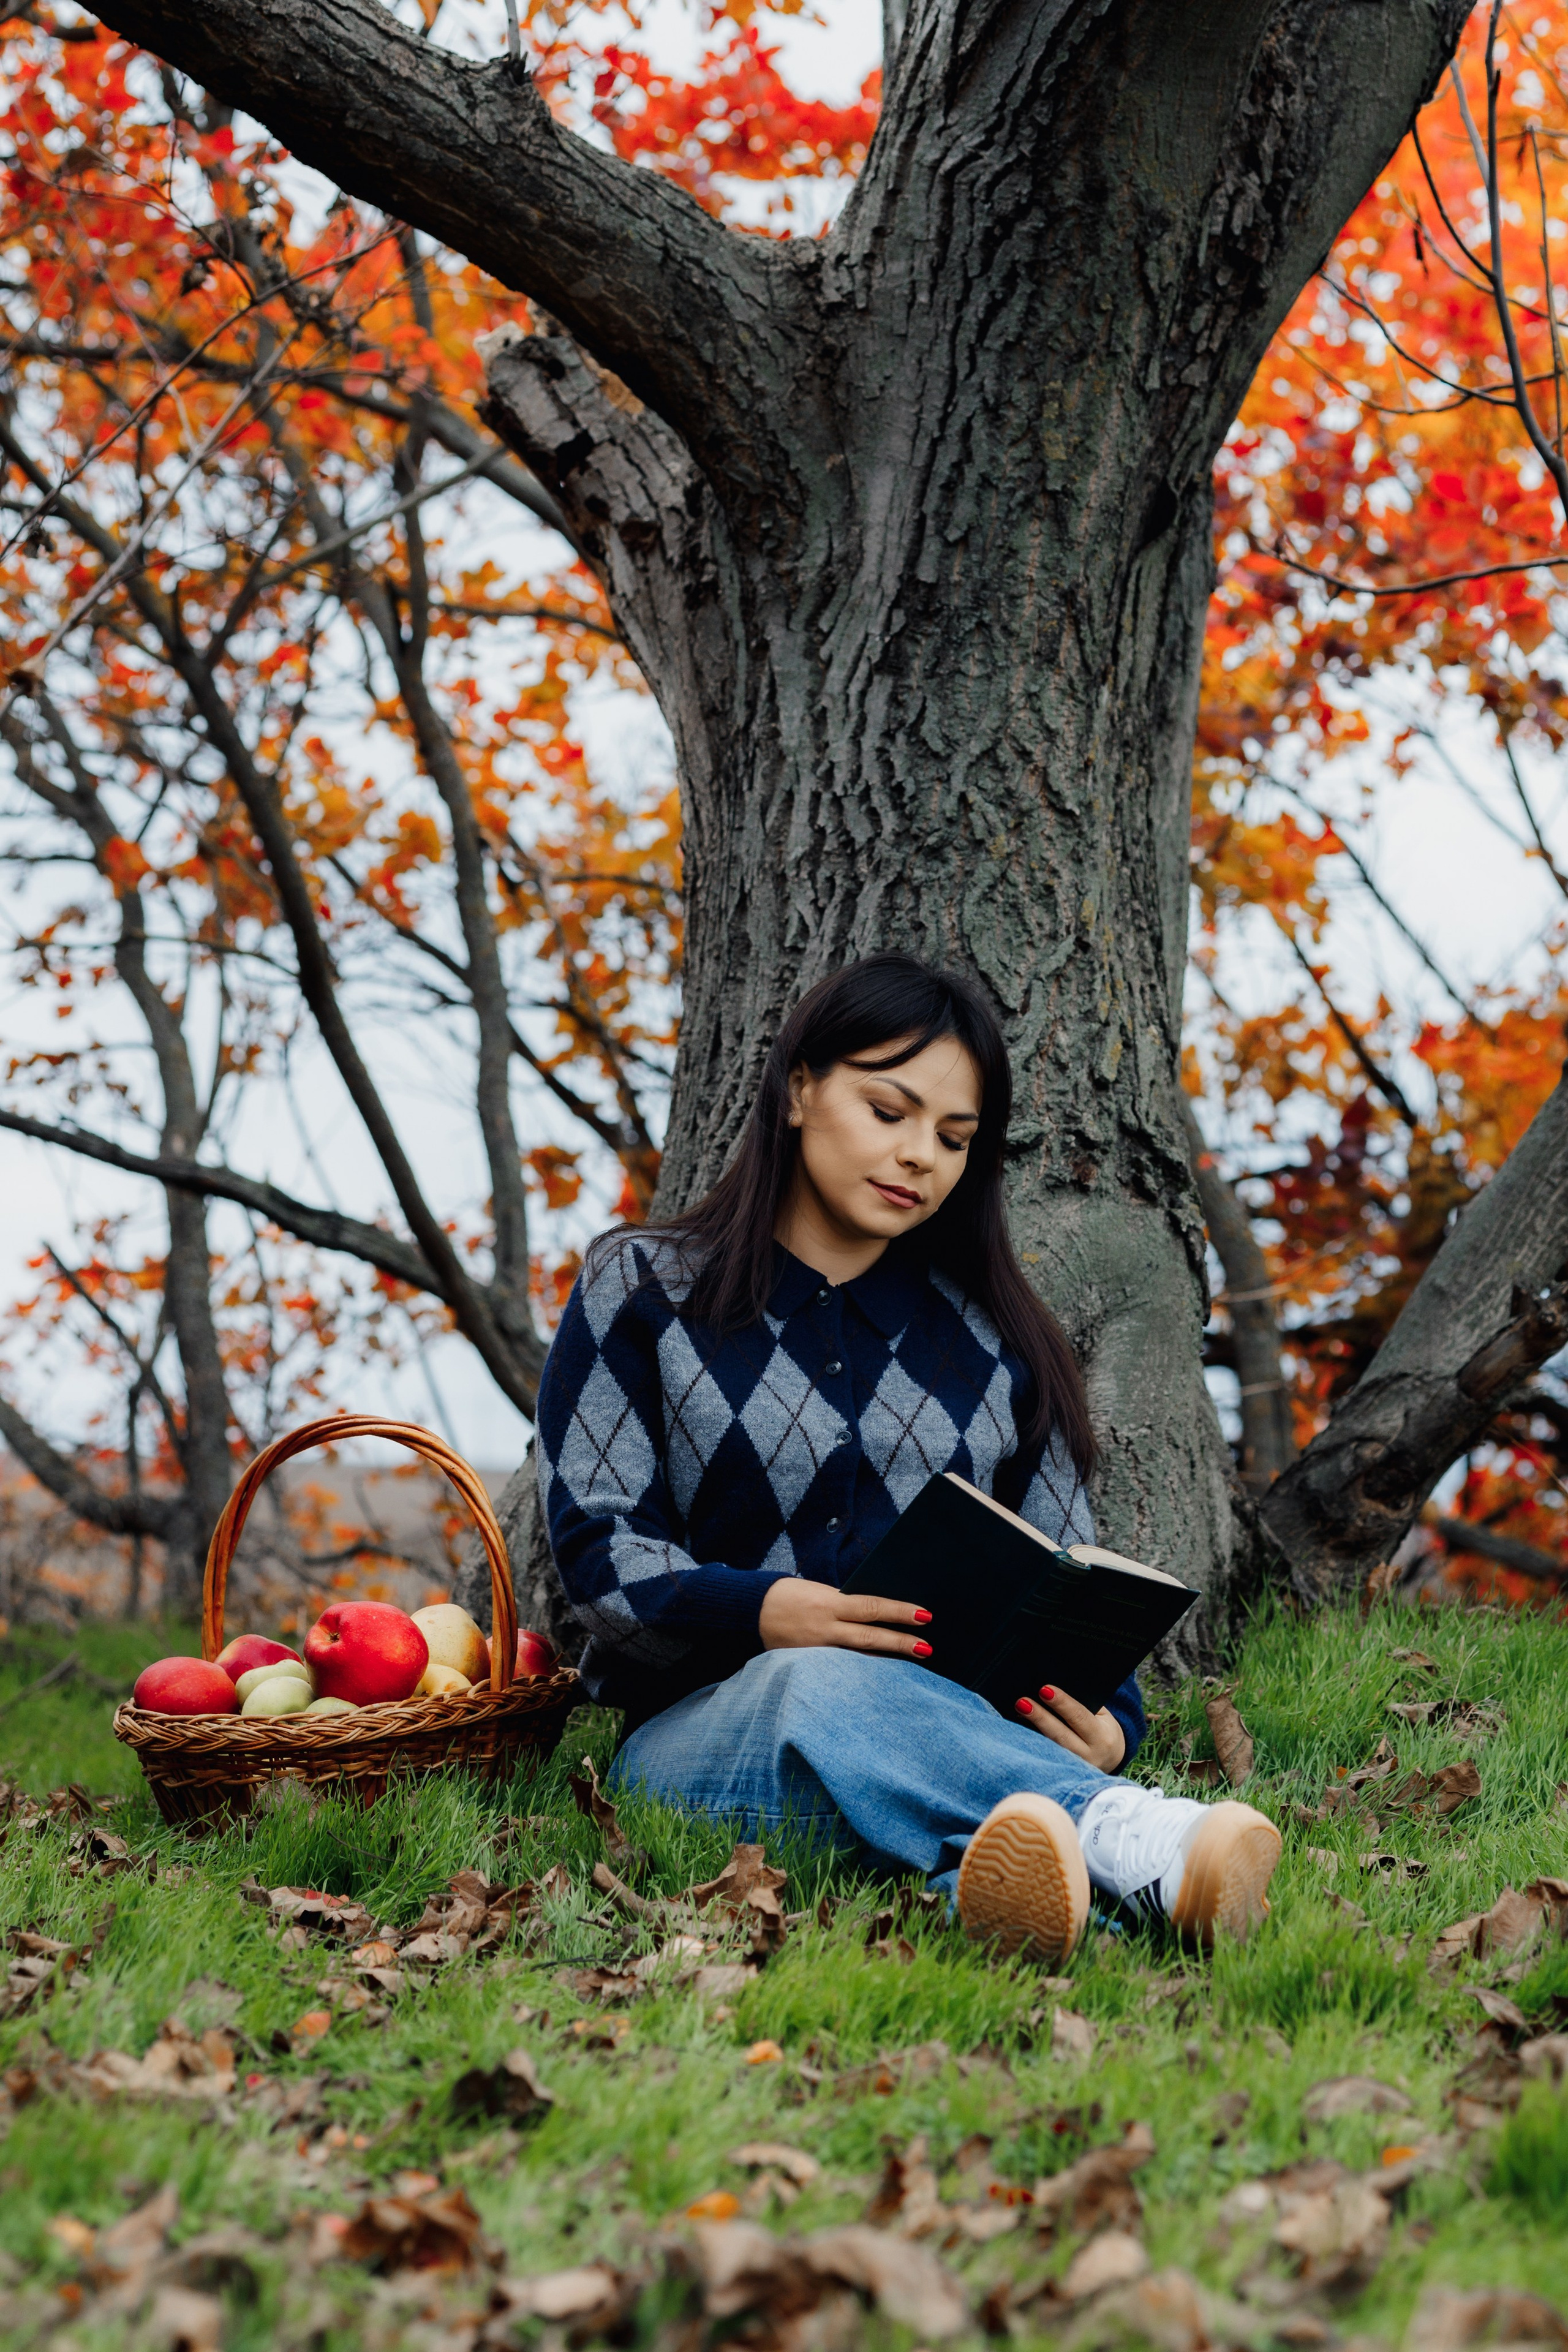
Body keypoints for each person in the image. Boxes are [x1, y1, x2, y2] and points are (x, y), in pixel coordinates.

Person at [535, 953, 1281, 1962]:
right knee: (814, 1681)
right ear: (800, 1090)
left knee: (928, 1786)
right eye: (889, 1111)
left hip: (943, 1738)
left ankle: (1055, 1901)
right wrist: (767, 1610)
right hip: (700, 1744)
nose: (920, 1155)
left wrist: (1111, 1723)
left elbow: (1070, 1587)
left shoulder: (1001, 1345)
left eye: (952, 1137)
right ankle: (1126, 1832)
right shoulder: (646, 1289)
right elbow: (598, 1553)